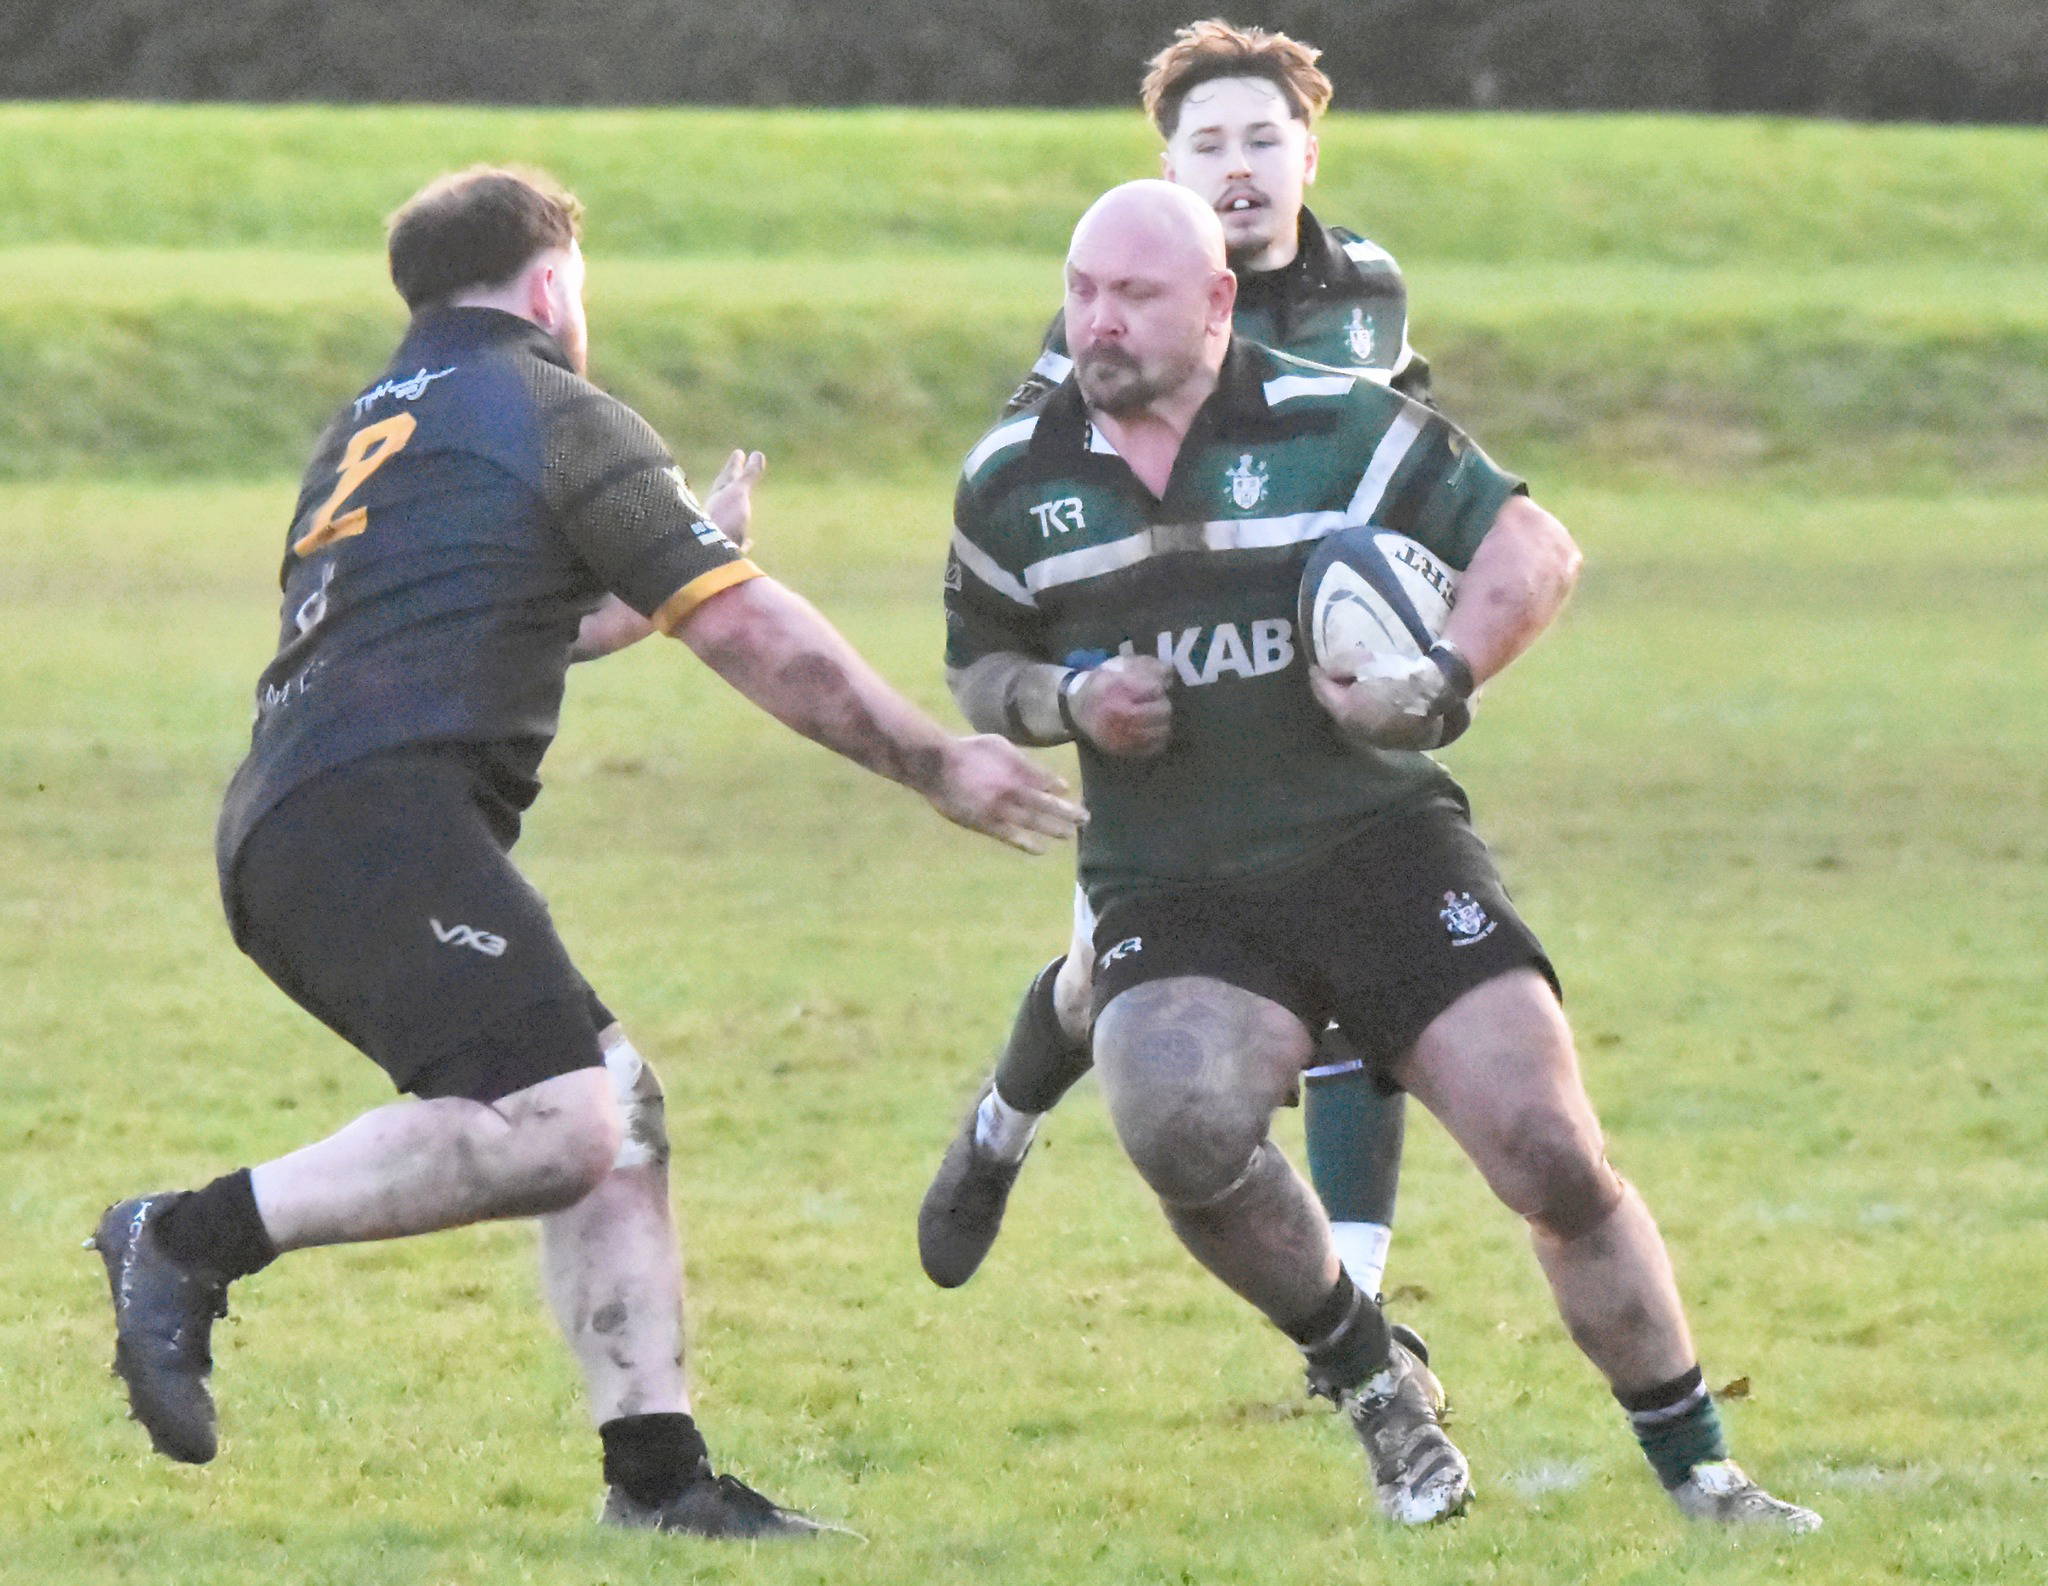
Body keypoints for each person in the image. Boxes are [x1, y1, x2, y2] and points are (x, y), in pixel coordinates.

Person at [90, 165, 1084, 1540]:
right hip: (378, 818)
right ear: (553, 283)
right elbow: (751, 631)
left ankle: (660, 1481)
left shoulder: (375, 427)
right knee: (564, 1123)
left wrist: (665, 584)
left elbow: (506, 623)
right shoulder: (553, 409)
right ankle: (186, 1235)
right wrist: (934, 758)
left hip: (301, 821)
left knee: (619, 1105)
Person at [939, 178, 1821, 1532]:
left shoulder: (1339, 423)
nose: (1096, 322)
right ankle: (1375, 1388)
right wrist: (1067, 701)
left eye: (1134, 295)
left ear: (1217, 301)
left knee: (1549, 1149)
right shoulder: (1011, 477)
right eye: (1081, 289)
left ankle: (1703, 1470)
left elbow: (1534, 547)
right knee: (1177, 1127)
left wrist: (1441, 677)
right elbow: (982, 667)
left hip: (1379, 847)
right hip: (1175, 882)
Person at [918, 19, 1449, 1506]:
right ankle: (999, 1126)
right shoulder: (1115, 303)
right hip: (1158, 696)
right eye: (1206, 143)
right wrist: (1083, 686)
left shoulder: (1366, 289)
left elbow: (1408, 440)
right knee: (1102, 984)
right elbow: (1032, 493)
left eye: (1262, 138)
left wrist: (1403, 615)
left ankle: (1359, 1307)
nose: (1238, 165)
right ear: (1166, 166)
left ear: (1308, 153)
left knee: (1365, 978)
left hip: (1318, 693)